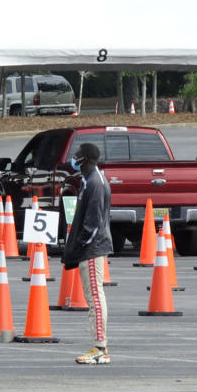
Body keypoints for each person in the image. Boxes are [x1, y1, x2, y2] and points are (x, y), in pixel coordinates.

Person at [62, 143, 113, 365]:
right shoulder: (90, 180)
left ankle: (100, 347)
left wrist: (79, 246)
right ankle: (99, 345)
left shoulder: (95, 183)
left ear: (86, 159)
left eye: (78, 155)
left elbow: (92, 224)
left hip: (92, 249)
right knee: (93, 295)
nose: (74, 159)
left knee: (94, 296)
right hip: (90, 248)